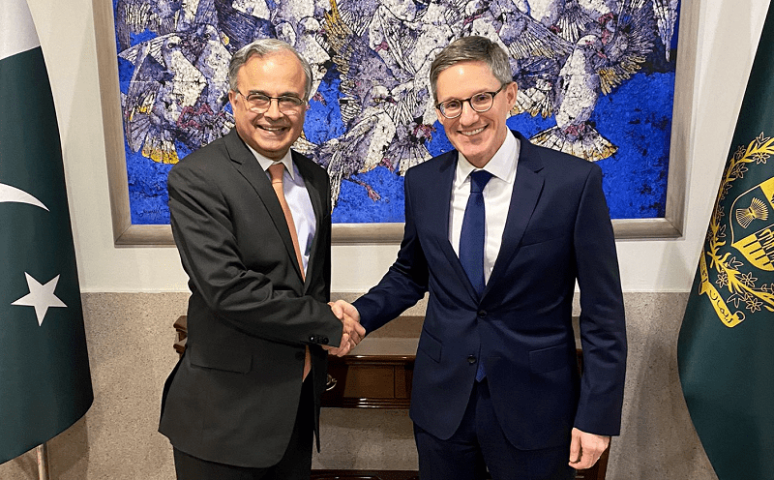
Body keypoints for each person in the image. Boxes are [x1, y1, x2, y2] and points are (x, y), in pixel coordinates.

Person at [332, 36, 627, 480]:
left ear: (510, 96)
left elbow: (604, 311)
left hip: (537, 407)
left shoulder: (573, 182)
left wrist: (597, 416)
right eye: (452, 104)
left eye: (481, 98)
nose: (467, 117)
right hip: (442, 406)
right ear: (438, 112)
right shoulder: (422, 182)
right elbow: (411, 273)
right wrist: (360, 313)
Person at [159, 38, 365, 480]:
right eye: (259, 97)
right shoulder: (197, 178)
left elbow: (307, 284)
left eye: (289, 98)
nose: (274, 112)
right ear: (234, 99)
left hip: (295, 408)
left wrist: (328, 319)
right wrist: (328, 323)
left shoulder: (314, 177)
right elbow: (228, 289)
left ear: (305, 105)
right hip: (223, 419)